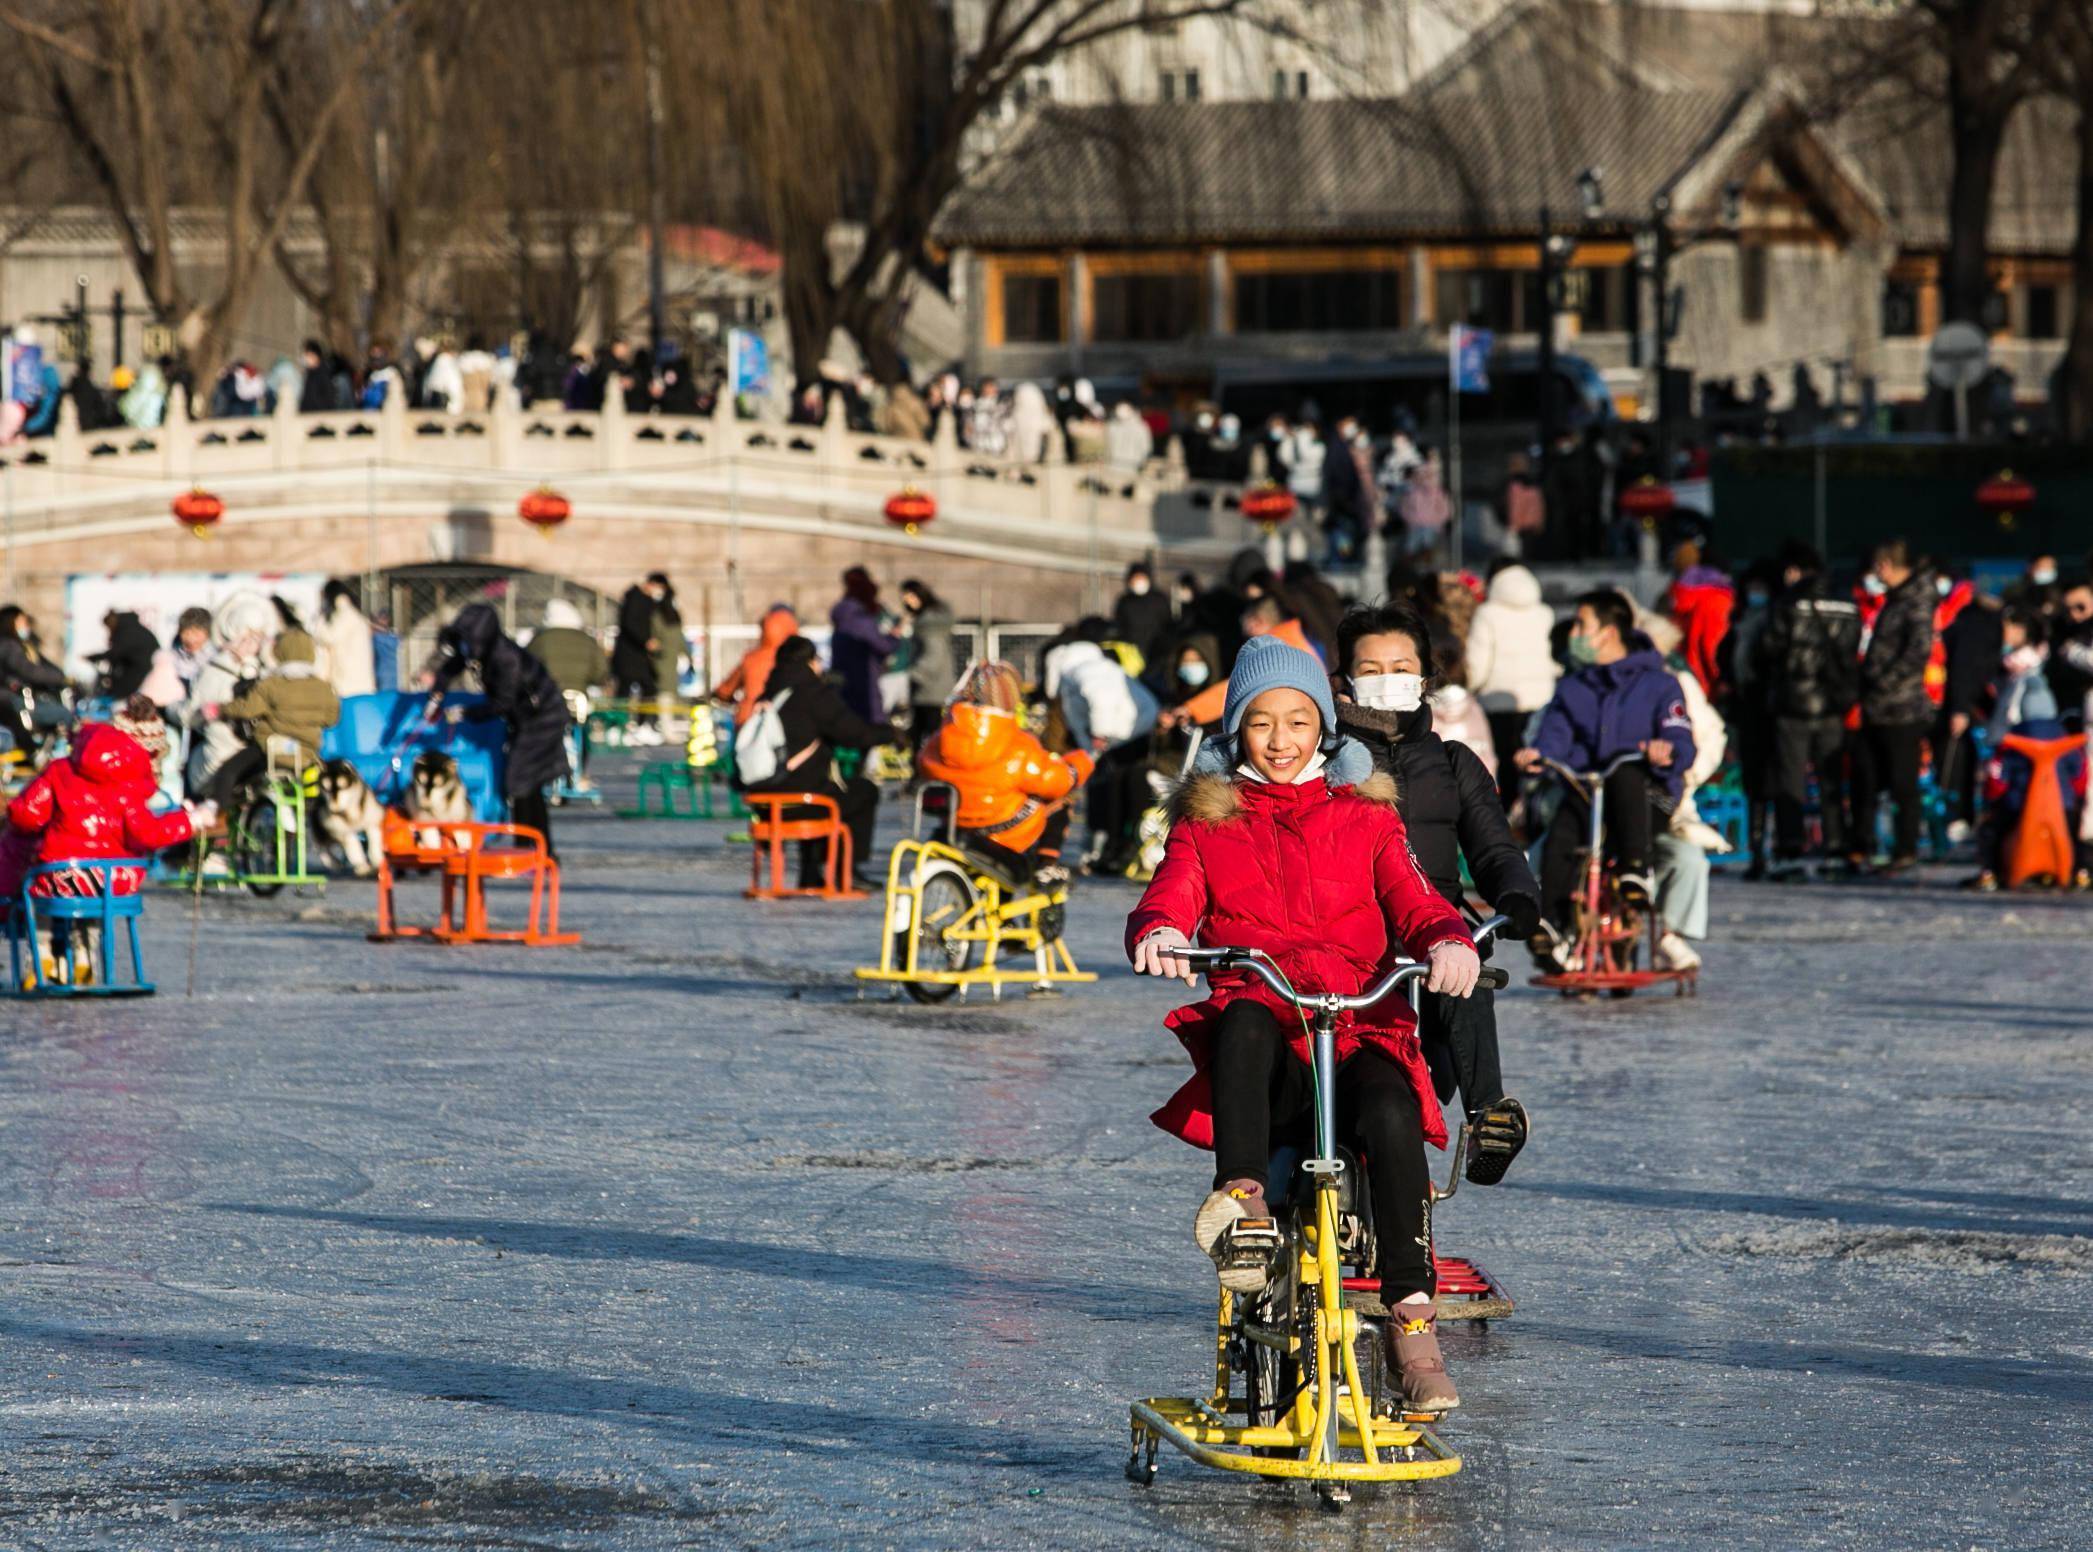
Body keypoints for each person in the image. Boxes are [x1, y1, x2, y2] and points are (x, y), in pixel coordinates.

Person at [1127, 634, 1483, 1412]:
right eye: (1261, 724)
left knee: (1391, 1113)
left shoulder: (1365, 817)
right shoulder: (1206, 822)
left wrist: (1445, 939)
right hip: (1270, 1037)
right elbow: (1173, 890)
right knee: (1244, 1015)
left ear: (1322, 727)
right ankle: (1243, 1205)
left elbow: (1414, 898)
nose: (1281, 741)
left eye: (1296, 722)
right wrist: (1158, 931)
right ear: (1236, 732)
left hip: (1356, 1022)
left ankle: (1409, 1321)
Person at [1331, 604, 1539, 1184]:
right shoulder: (1326, 762)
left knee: (1462, 956)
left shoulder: (1454, 764)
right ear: (1344, 680)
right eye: (1371, 668)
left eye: (1401, 666)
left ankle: (1485, 1118)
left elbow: (1494, 847)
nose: (1387, 678)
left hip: (1435, 928)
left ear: (1425, 678)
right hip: (1352, 929)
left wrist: (1517, 893)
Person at [1516, 590, 1695, 966]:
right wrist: (1540, 755)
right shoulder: (1573, 687)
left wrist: (1666, 750)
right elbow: (1555, 734)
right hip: (1590, 796)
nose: (1574, 634)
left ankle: (1636, 871)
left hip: (1646, 798)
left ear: (1609, 632)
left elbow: (1681, 738)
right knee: (1563, 829)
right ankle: (1553, 926)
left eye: (1583, 625)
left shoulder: (1660, 684)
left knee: (1625, 771)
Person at [0, 717, 197, 983]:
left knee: (40, 888)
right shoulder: (127, 780)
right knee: (93, 895)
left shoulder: (59, 771)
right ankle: (84, 955)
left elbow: (28, 814)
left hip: (62, 871)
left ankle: (43, 953)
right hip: (116, 877)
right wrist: (187, 821)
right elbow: (147, 832)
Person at [918, 661, 1092, 886]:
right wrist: (1080, 762)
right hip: (1002, 832)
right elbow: (1056, 781)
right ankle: (1045, 865)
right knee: (1061, 802)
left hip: (955, 825)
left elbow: (923, 763)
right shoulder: (1018, 743)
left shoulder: (941, 736)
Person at [741, 635, 892, 887]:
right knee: (863, 791)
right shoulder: (813, 693)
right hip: (802, 801)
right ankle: (846, 871)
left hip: (763, 801)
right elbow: (854, 734)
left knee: (814, 785)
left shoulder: (768, 695)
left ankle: (810, 874)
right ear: (810, 663)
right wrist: (890, 734)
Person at [426, 603, 571, 856]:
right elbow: (454, 665)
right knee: (526, 784)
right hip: (526, 717)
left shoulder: (506, 658)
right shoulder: (479, 649)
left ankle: (533, 850)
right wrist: (437, 693)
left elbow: (503, 704)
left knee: (520, 780)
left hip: (542, 717)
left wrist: (464, 713)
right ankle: (536, 850)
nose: (466, 649)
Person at [1755, 542, 1860, 869]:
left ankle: (1791, 845)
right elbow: (1852, 649)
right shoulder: (1846, 603)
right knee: (1830, 777)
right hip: (1832, 703)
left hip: (1793, 703)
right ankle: (1835, 844)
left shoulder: (1787, 604)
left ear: (1793, 571)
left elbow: (1768, 650)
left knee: (1792, 778)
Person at [1967, 609, 2086, 890]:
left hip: (2016, 803)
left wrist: (1994, 792)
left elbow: (1999, 777)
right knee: (2074, 832)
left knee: (1992, 830)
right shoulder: (2063, 737)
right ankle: (2080, 870)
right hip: (2063, 803)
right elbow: (2079, 773)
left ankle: (1990, 873)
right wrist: (2074, 795)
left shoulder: (2016, 740)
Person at [1852, 539, 1935, 873]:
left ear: (1885, 565)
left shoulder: (1915, 600)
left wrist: (1882, 680)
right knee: (1865, 778)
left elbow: (1917, 651)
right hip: (1877, 707)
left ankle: (1905, 848)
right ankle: (1863, 845)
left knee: (1903, 783)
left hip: (1902, 708)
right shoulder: (1897, 600)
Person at [203, 627, 341, 811]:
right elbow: (332, 719)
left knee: (228, 772)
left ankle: (214, 817)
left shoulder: (272, 684)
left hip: (270, 751)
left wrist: (219, 709)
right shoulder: (324, 687)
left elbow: (246, 709)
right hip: (306, 754)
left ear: (281, 652)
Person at [1466, 563, 1560, 803]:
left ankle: (1505, 816)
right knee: (1531, 763)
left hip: (1497, 703)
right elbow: (1554, 660)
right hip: (1539, 700)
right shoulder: (1545, 613)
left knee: (1502, 766)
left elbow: (1477, 663)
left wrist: (1470, 687)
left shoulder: (1487, 613)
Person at [181, 593, 276, 800]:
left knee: (191, 761)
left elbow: (189, 716)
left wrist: (168, 709)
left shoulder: (214, 670)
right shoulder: (267, 670)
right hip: (259, 754)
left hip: (217, 761)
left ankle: (196, 817)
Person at [829, 567, 901, 725]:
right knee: (867, 728)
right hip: (863, 684)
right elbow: (883, 646)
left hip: (843, 684)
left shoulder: (842, 615)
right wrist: (894, 637)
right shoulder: (860, 618)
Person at [0, 605, 72, 759]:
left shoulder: (22, 644)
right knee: (63, 713)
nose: (25, 625)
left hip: (22, 700)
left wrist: (59, 675)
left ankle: (46, 751)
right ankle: (57, 755)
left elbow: (43, 666)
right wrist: (59, 678)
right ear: (11, 622)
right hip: (16, 702)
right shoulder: (9, 645)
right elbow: (29, 671)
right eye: (21, 621)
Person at [711, 606, 798, 727]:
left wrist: (719, 694)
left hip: (749, 721)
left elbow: (727, 689)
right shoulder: (797, 662)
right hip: (786, 724)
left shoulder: (752, 659)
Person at [898, 580, 957, 752]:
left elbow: (932, 657)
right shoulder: (930, 622)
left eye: (910, 596)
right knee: (929, 737)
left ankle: (922, 774)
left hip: (929, 691)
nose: (906, 601)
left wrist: (913, 676)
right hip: (934, 689)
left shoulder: (929, 625)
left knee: (924, 737)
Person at [611, 574, 670, 740]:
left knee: (647, 689)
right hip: (630, 656)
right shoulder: (636, 599)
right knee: (626, 692)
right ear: (652, 584)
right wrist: (646, 641)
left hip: (639, 657)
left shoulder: (644, 600)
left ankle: (641, 724)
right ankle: (619, 726)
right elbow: (630, 624)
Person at [312, 580, 377, 700]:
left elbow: (329, 637)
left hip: (349, 682)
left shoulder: (346, 614)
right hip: (357, 680)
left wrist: (319, 620)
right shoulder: (352, 613)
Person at [1112, 562, 1173, 666]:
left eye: (1141, 578)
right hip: (1132, 653)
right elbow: (1119, 625)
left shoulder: (1160, 599)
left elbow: (1167, 623)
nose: (1138, 581)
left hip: (1157, 651)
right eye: (1135, 578)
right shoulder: (1124, 601)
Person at [91, 611, 160, 700]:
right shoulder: (129, 627)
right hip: (143, 666)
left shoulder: (125, 631)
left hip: (144, 668)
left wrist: (94, 657)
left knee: (122, 692)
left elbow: (115, 653)